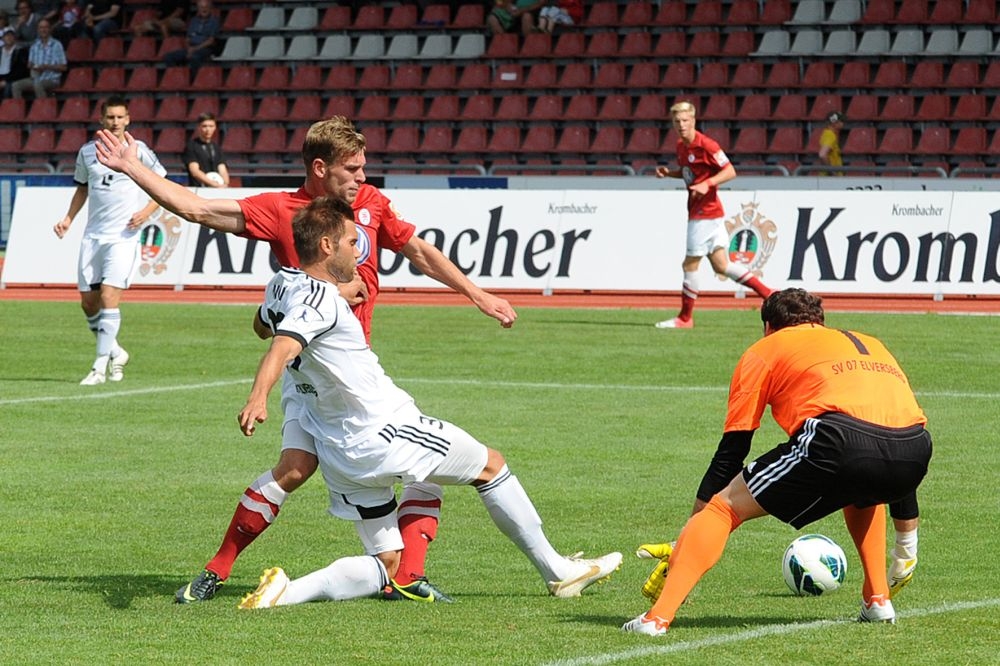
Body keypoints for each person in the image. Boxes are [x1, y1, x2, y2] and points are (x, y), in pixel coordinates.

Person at [93, 116, 519, 604]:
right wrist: (133, 168)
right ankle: (219, 570)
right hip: (307, 374)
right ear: (320, 168)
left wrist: (478, 295)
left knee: (378, 471)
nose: (362, 176)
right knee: (302, 468)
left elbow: (417, 251)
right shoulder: (283, 210)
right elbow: (198, 209)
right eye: (352, 168)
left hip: (353, 371)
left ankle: (405, 575)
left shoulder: (371, 202)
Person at [231, 195, 622, 609]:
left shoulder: (283, 285)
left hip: (340, 451)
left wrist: (335, 292)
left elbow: (263, 326)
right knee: (490, 465)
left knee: (387, 560)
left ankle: (285, 593)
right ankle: (557, 571)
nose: (359, 250)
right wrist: (258, 397)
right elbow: (283, 345)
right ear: (327, 246)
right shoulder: (321, 303)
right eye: (352, 242)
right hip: (384, 430)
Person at [622, 288, 932, 636]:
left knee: (724, 507)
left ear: (768, 326)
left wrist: (688, 536)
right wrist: (906, 545)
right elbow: (896, 435)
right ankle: (877, 600)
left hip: (836, 441)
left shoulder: (765, 349)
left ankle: (656, 619)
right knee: (864, 488)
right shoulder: (871, 343)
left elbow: (732, 451)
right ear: (820, 322)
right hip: (916, 450)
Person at [53, 95, 165, 385]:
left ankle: (99, 368)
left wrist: (146, 213)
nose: (115, 122)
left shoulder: (138, 150)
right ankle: (116, 351)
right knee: (89, 303)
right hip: (93, 237)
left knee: (108, 296)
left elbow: (162, 184)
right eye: (110, 117)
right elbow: (82, 188)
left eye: (120, 117)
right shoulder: (87, 152)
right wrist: (68, 218)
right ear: (102, 119)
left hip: (123, 237)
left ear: (128, 119)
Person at [653, 101, 772, 329]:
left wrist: (707, 184)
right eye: (677, 121)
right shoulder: (681, 146)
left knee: (690, 264)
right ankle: (768, 292)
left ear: (693, 121)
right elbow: (691, 173)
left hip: (704, 214)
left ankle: (685, 318)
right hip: (707, 213)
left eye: (685, 120)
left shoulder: (707, 145)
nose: (681, 125)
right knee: (721, 265)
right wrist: (670, 174)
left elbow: (730, 171)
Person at [9, 16, 64, 98]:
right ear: (38, 30)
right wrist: (32, 66)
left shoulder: (57, 45)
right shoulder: (34, 46)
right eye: (41, 28)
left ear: (50, 29)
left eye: (46, 27)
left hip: (52, 79)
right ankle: (18, 106)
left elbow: (63, 67)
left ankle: (42, 106)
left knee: (38, 84)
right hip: (35, 78)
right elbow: (30, 64)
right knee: (15, 85)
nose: (43, 30)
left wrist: (47, 67)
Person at [161, 0, 217, 72]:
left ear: (210, 8)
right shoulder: (194, 21)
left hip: (204, 49)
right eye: (201, 7)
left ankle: (193, 78)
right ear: (198, 9)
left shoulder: (214, 21)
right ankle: (177, 75)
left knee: (194, 57)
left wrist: (194, 49)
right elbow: (187, 39)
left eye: (206, 7)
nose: (204, 9)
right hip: (191, 48)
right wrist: (189, 49)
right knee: (168, 57)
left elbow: (210, 41)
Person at [183, 111, 229, 188]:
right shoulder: (191, 146)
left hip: (217, 189)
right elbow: (194, 171)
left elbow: (222, 169)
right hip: (198, 189)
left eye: (211, 126)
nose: (208, 129)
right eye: (204, 126)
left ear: (215, 127)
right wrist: (214, 184)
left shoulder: (216, 147)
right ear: (199, 127)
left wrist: (225, 184)